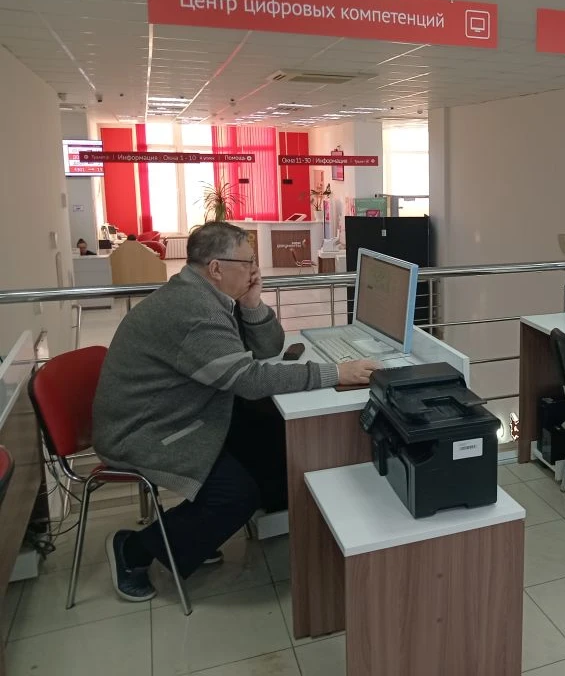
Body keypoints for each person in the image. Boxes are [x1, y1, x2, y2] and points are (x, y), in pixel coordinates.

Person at [92, 221, 378, 602]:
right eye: (248, 262)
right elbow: (249, 379)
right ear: (216, 268)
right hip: (146, 431)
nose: (255, 270)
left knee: (273, 436)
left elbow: (269, 348)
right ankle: (133, 550)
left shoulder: (205, 296)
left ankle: (199, 533)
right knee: (236, 494)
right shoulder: (195, 313)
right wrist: (336, 373)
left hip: (180, 414)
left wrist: (253, 304)